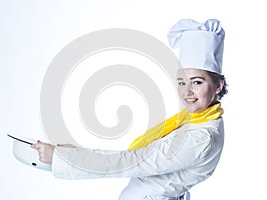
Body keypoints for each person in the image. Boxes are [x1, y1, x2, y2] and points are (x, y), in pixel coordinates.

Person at [32, 19, 228, 200]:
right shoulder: (193, 119)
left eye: (197, 82)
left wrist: (65, 160)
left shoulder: (202, 137)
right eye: (181, 82)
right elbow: (140, 156)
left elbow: (131, 162)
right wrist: (76, 152)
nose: (188, 92)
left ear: (218, 85)